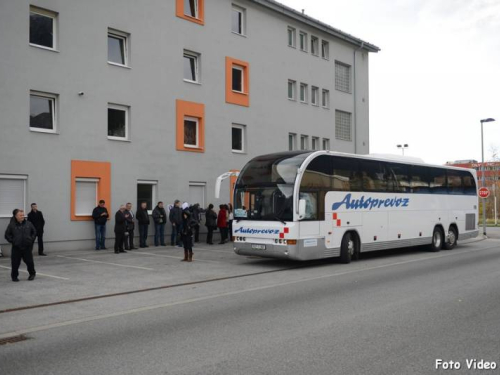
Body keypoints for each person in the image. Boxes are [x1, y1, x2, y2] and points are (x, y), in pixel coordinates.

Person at [4, 209, 37, 282]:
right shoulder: (11, 225)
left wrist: (31, 240)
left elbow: (34, 232)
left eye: (23, 215)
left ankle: (32, 274)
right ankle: (14, 277)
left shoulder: (29, 223)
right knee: (15, 263)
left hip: (27, 247)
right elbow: (7, 235)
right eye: (20, 215)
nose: (23, 216)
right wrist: (13, 241)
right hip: (16, 247)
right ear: (16, 216)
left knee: (29, 262)